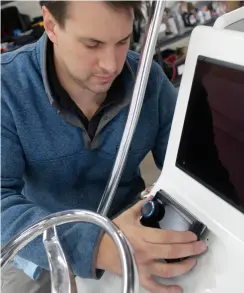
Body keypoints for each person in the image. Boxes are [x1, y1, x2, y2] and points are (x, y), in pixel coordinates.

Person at [1, 1, 207, 293]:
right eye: (92, 44)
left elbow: (188, 164)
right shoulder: (7, 88)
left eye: (122, 41)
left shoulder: (148, 81)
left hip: (133, 234)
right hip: (38, 248)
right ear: (51, 26)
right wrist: (97, 247)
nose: (111, 64)